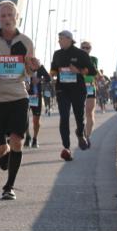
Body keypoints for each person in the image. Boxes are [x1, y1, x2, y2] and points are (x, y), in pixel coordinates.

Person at [0, 1, 40, 200]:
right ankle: (4, 155)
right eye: (3, 15)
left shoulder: (26, 42)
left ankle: (9, 186)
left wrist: (34, 66)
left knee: (17, 141)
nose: (6, 19)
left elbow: (29, 71)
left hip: (18, 97)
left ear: (17, 17)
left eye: (10, 15)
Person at [49, 29, 96, 161]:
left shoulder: (80, 54)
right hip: (62, 89)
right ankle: (66, 148)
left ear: (69, 39)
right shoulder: (57, 54)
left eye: (61, 39)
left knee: (79, 117)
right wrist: (52, 74)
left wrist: (79, 70)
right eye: (58, 39)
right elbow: (53, 67)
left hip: (78, 90)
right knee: (64, 117)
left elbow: (92, 71)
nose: (59, 41)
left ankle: (80, 134)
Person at [23, 63, 51, 148]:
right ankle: (27, 136)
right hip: (24, 96)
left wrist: (40, 79)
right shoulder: (23, 66)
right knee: (24, 118)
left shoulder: (40, 67)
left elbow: (48, 78)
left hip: (36, 97)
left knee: (36, 121)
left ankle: (35, 138)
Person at [80, 41, 100, 147]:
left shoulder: (94, 59)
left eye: (88, 48)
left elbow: (95, 73)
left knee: (89, 112)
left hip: (90, 87)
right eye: (83, 47)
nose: (85, 49)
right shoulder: (75, 59)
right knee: (79, 113)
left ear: (90, 49)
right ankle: (81, 130)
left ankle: (87, 136)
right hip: (78, 87)